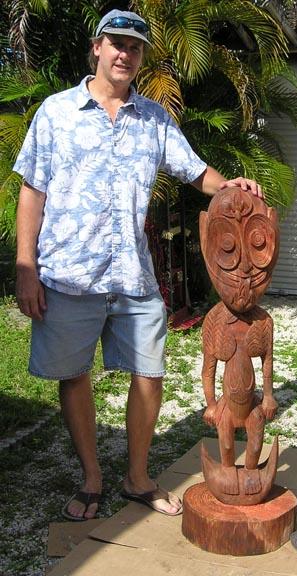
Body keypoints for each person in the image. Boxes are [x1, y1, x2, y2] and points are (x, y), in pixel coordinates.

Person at [14, 9, 264, 521]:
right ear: (97, 47)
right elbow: (32, 192)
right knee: (74, 375)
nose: (125, 53)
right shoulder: (56, 114)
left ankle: (138, 477)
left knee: (150, 372)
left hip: (133, 274)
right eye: (117, 43)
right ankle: (92, 477)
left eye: (134, 47)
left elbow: (194, 171)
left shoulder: (154, 119)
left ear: (141, 56)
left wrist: (231, 185)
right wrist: (25, 266)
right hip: (69, 274)